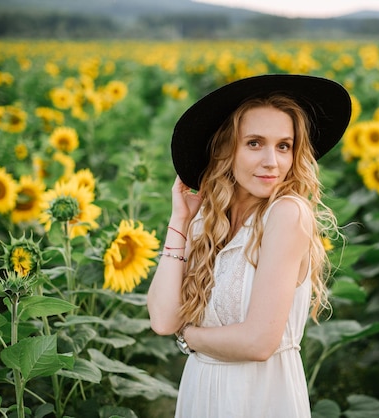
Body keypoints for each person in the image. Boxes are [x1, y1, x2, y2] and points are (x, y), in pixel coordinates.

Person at [147, 74, 351, 417]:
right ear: (226, 150)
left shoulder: (286, 214)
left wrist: (189, 337)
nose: (272, 161)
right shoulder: (208, 221)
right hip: (201, 392)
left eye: (284, 145)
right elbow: (163, 319)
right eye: (255, 143)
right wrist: (179, 221)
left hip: (261, 396)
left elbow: (259, 342)